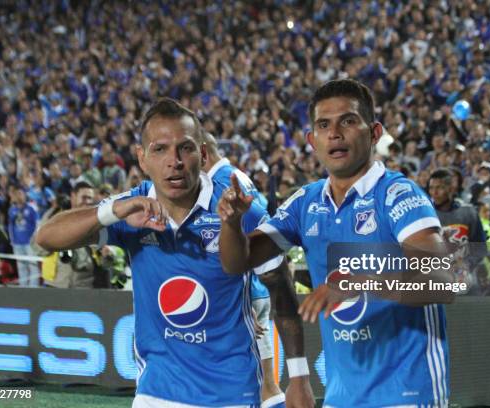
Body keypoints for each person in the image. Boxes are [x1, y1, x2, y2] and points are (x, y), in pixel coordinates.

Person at [35, 98, 314, 408]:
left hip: (230, 394)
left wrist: (299, 377)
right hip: (156, 393)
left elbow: (281, 288)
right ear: (142, 158)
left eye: (185, 148)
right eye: (160, 149)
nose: (174, 161)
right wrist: (112, 210)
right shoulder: (133, 209)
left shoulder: (238, 209)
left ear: (203, 154)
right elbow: (46, 238)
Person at [217, 79, 451, 408]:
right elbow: (236, 261)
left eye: (348, 121)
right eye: (324, 125)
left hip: (406, 395)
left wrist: (357, 284)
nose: (335, 133)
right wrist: (231, 223)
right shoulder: (305, 203)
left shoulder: (399, 195)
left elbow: (441, 280)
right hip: (342, 398)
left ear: (374, 133)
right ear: (312, 140)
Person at [202, 132, 289, 408]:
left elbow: (245, 239)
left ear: (202, 153)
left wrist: (243, 295)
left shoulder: (219, 183)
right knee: (266, 383)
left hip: (244, 292)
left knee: (235, 384)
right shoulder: (239, 176)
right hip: (257, 287)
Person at [429, 168, 487, 294]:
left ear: (451, 188)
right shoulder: (424, 214)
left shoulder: (469, 212)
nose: (434, 192)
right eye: (431, 188)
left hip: (466, 280)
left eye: (439, 187)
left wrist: (467, 264)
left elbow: (481, 247)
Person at [33, 181, 99, 288]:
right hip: (55, 284)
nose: (87, 202)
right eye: (84, 197)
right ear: (73, 196)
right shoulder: (54, 216)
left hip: (83, 285)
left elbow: (101, 254)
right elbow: (36, 245)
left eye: (90, 198)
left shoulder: (97, 219)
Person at [8, 186, 40, 287]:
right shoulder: (12, 210)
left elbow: (37, 224)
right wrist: (12, 241)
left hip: (29, 243)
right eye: (16, 194)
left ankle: (33, 290)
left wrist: (35, 240)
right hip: (17, 243)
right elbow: (10, 226)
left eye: (20, 193)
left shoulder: (31, 208)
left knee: (33, 266)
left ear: (25, 195)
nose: (18, 196)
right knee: (21, 267)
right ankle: (23, 289)